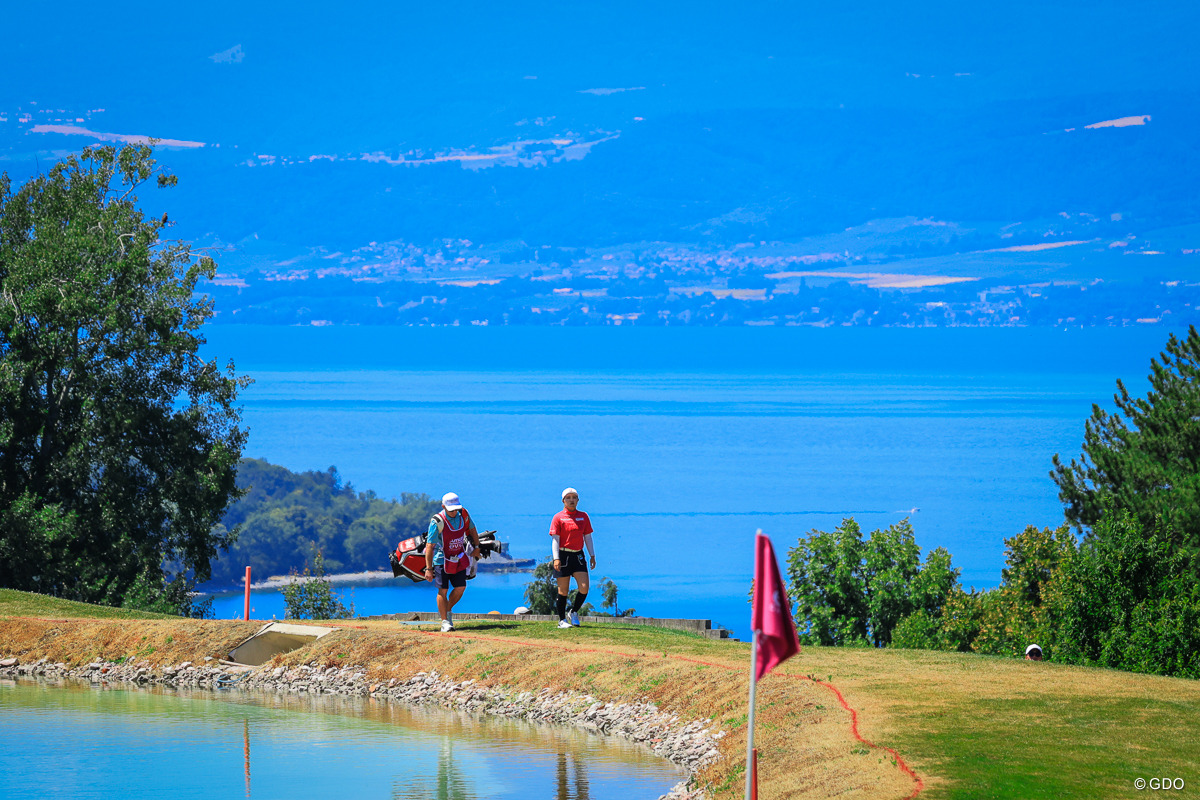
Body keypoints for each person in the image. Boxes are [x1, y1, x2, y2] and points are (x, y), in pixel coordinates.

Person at [423, 492, 482, 632]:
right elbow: (429, 546)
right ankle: (445, 622)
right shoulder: (437, 521)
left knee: (461, 587)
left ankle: (447, 610)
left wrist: (477, 547)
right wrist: (428, 568)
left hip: (459, 558)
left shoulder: (463, 515)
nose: (454, 511)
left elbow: (472, 530)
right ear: (444, 507)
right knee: (442, 590)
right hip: (441, 560)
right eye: (451, 509)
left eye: (456, 508)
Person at [549, 487, 596, 629]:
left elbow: (587, 536)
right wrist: (556, 558)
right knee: (563, 590)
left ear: (578, 500)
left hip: (578, 555)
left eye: (574, 497)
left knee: (584, 588)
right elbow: (555, 539)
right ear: (563, 501)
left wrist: (592, 555)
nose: (571, 500)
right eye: (568, 498)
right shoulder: (558, 517)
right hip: (563, 555)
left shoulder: (584, 516)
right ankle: (562, 620)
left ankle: (573, 612)